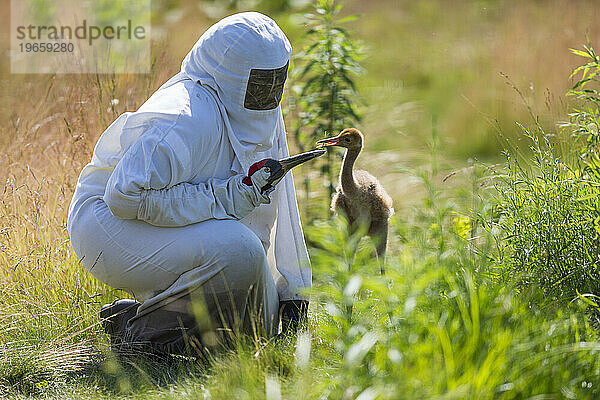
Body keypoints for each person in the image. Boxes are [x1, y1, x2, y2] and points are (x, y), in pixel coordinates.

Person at [67, 12, 310, 356]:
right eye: (261, 83)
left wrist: (291, 290)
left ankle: (142, 318)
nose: (270, 92)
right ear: (233, 74)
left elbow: (270, 207)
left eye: (276, 80)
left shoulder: (251, 106)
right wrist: (223, 199)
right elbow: (123, 196)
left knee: (261, 333)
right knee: (238, 251)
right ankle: (136, 336)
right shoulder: (187, 118)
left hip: (145, 217)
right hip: (105, 224)